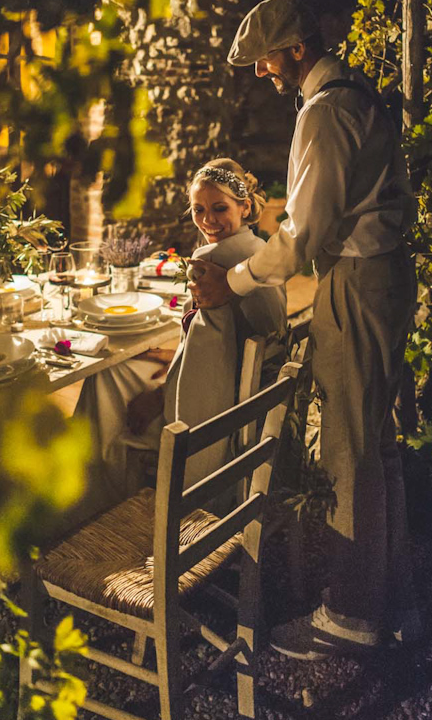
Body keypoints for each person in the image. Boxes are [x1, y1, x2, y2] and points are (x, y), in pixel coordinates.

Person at [188, 0, 420, 658]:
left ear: (294, 49)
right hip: (385, 272)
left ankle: (349, 616)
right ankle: (395, 598)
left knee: (348, 449)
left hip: (358, 281)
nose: (261, 74)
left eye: (264, 60)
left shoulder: (323, 113)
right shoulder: (355, 92)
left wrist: (231, 284)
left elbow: (302, 238)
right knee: (378, 446)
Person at [74, 158, 287, 517]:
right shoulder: (258, 251)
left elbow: (207, 365)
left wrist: (158, 397)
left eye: (219, 208)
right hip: (248, 388)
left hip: (216, 405)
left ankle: (97, 501)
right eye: (198, 210)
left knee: (104, 377)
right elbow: (216, 339)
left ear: (245, 206)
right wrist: (169, 356)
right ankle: (109, 494)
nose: (208, 221)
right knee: (125, 367)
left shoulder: (212, 259)